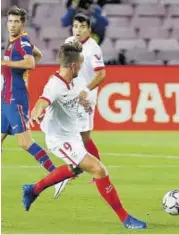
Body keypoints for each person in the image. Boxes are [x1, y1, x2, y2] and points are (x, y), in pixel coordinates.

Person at [22, 41, 147, 229]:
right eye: (81, 62)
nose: (82, 65)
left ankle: (33, 189)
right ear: (73, 65)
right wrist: (35, 113)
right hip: (59, 139)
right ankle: (125, 218)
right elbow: (42, 101)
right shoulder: (55, 85)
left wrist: (83, 102)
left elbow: (76, 95)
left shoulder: (76, 79)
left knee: (76, 169)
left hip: (72, 134)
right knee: (99, 169)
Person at [53, 13, 106, 198]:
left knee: (83, 136)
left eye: (82, 27)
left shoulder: (93, 49)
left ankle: (76, 169)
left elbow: (101, 75)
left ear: (89, 30)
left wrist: (86, 90)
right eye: (75, 26)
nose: (78, 30)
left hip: (86, 97)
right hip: (71, 94)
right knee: (74, 133)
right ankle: (84, 168)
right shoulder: (68, 42)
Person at [1, 6, 57, 174]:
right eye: (10, 21)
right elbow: (37, 54)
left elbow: (31, 63)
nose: (12, 25)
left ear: (22, 24)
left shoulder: (21, 42)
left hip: (15, 97)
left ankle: (56, 174)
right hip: (6, 97)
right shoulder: (15, 43)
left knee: (25, 142)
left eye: (16, 22)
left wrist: (7, 64)